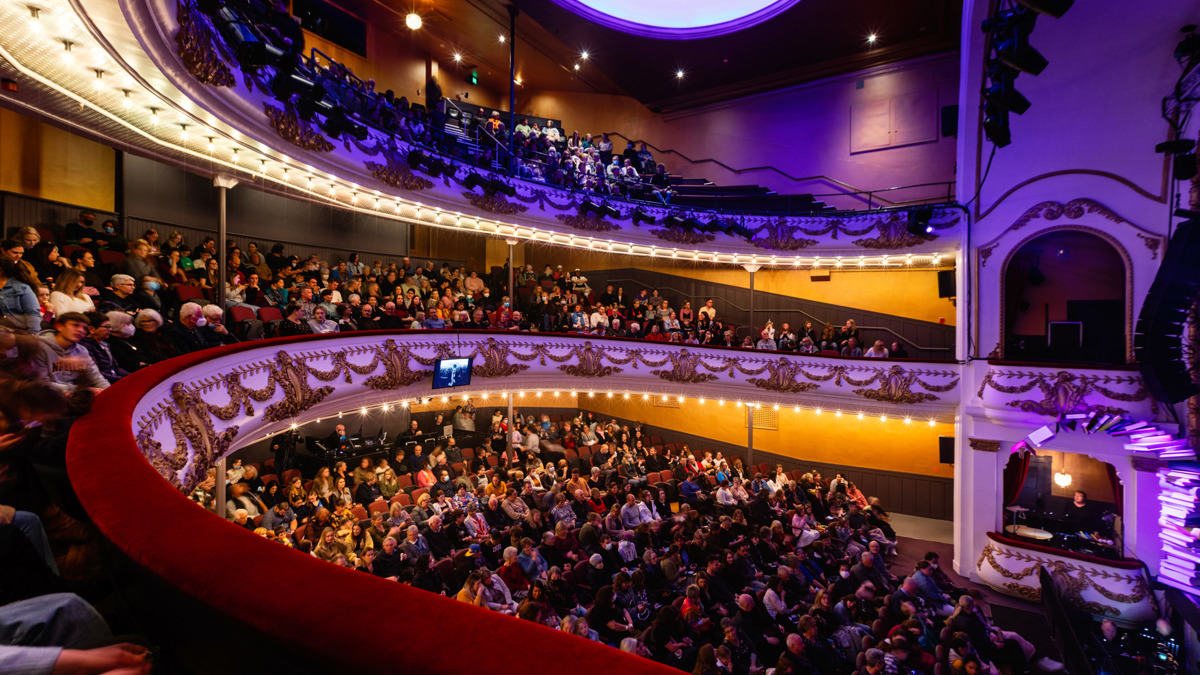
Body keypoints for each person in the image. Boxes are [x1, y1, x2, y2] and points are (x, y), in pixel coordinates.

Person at [30, 312, 110, 394]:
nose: (81, 330)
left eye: (85, 328)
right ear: (59, 326)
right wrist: (82, 390)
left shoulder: (82, 350)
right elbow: (41, 383)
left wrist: (110, 393)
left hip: (74, 396)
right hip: (47, 396)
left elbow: (97, 378)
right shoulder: (39, 347)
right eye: (75, 325)